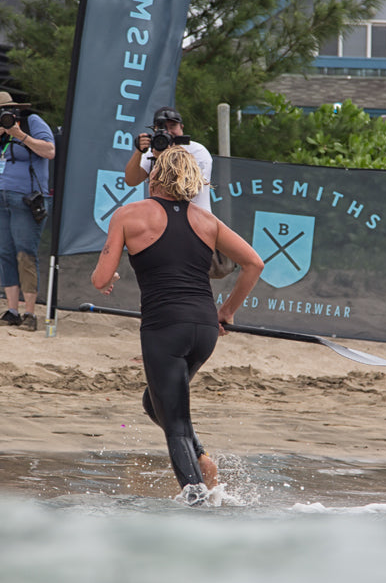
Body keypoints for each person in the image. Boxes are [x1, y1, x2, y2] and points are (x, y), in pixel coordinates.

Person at [91, 147, 264, 503]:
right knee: (155, 403)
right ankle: (203, 461)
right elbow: (254, 264)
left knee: (176, 425)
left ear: (155, 175)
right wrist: (226, 311)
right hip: (203, 328)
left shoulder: (129, 215)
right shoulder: (206, 221)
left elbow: (99, 279)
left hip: (164, 327)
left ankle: (197, 499)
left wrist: (109, 276)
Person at [0, 91, 55, 331]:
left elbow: (49, 151)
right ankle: (12, 310)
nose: (1, 119)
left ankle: (30, 314)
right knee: (4, 252)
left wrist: (19, 135)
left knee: (25, 253)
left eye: (3, 114)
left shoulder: (31, 122)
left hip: (26, 197)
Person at [124, 107, 213, 211]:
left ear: (182, 127)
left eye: (173, 126)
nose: (168, 132)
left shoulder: (197, 150)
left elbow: (188, 190)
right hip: (163, 219)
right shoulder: (153, 151)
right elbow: (131, 181)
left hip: (196, 217)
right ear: (154, 130)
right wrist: (139, 151)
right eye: (163, 127)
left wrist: (163, 158)